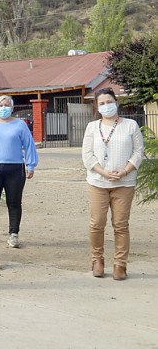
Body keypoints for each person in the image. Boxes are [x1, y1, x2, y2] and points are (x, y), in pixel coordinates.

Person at [82, 87, 144, 280]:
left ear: (116, 102)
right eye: (102, 103)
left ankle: (120, 264)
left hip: (124, 183)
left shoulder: (130, 125)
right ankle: (97, 260)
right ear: (97, 107)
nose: (106, 106)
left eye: (109, 102)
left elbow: (138, 151)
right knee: (97, 223)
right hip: (98, 182)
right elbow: (87, 155)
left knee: (120, 224)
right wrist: (103, 172)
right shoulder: (92, 127)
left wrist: (124, 171)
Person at [0, 95, 39, 248]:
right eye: (1, 105)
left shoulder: (20, 125)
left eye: (7, 105)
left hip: (15, 168)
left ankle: (13, 234)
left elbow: (29, 145)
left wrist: (31, 165)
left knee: (14, 202)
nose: (4, 108)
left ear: (12, 107)